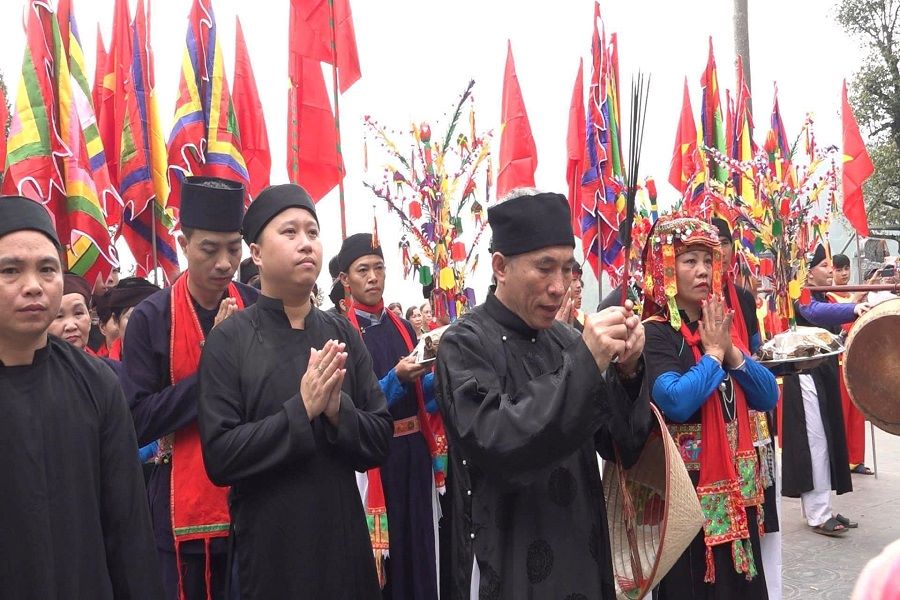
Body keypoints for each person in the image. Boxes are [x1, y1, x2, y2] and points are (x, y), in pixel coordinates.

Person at [435, 189, 651, 599]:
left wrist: (628, 373)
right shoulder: (463, 345)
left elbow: (624, 444)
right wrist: (585, 367)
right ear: (500, 266)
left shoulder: (570, 341)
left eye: (568, 270)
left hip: (583, 554)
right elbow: (499, 439)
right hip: (507, 559)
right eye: (544, 268)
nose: (559, 287)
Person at [197, 184, 392, 599]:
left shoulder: (342, 334)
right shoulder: (228, 340)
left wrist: (340, 413)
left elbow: (379, 439)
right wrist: (300, 410)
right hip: (271, 552)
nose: (306, 244)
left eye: (312, 232)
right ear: (257, 253)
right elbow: (220, 455)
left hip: (342, 545)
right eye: (289, 233)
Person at [0, 195, 162, 598]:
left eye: (47, 269)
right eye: (11, 270)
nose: (33, 286)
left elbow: (127, 529)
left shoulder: (96, 384)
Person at [123, 176, 257, 599]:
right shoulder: (150, 318)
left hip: (256, 497)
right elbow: (138, 419)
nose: (224, 263)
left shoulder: (256, 306)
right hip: (181, 511)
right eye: (209, 249)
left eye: (234, 248)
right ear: (183, 243)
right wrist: (215, 362)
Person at [641, 216, 778, 599]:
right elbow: (676, 401)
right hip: (689, 495)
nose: (702, 270)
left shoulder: (717, 324)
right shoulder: (656, 333)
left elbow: (768, 397)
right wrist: (714, 354)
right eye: (690, 261)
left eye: (707, 260)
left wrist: (731, 351)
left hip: (735, 486)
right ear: (666, 267)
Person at [338, 232, 444, 600]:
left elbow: (422, 399)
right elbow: (352, 404)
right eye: (362, 270)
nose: (372, 277)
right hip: (378, 458)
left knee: (422, 545)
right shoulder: (344, 334)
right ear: (345, 279)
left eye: (378, 268)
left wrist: (439, 375)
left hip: (415, 452)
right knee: (388, 558)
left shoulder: (402, 326)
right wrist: (396, 379)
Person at [781, 244, 869, 537]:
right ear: (807, 273)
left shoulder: (819, 296)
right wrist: (853, 307)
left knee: (826, 442)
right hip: (805, 377)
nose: (831, 270)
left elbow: (829, 335)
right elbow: (817, 313)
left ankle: (823, 508)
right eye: (824, 266)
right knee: (815, 444)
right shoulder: (801, 297)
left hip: (821, 376)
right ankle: (818, 514)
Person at [826, 253, 873, 476]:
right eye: (838, 269)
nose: (844, 273)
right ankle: (841, 458)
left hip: (855, 361)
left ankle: (856, 458)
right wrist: (855, 300)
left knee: (857, 412)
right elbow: (839, 326)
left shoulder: (855, 295)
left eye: (846, 269)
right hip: (837, 362)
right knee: (841, 412)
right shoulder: (828, 298)